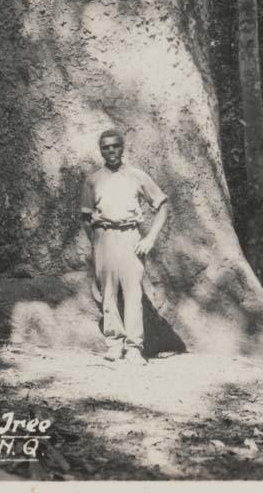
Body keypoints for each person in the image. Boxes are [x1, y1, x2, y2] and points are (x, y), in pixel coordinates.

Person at [80, 128, 169, 365]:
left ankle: (133, 347)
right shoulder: (93, 180)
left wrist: (149, 238)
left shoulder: (138, 176)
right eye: (106, 147)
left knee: (133, 293)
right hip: (103, 237)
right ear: (101, 151)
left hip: (130, 235)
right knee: (108, 293)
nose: (111, 151)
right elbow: (86, 217)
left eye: (115, 146)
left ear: (122, 147)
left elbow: (162, 206)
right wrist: (97, 242)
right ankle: (114, 343)